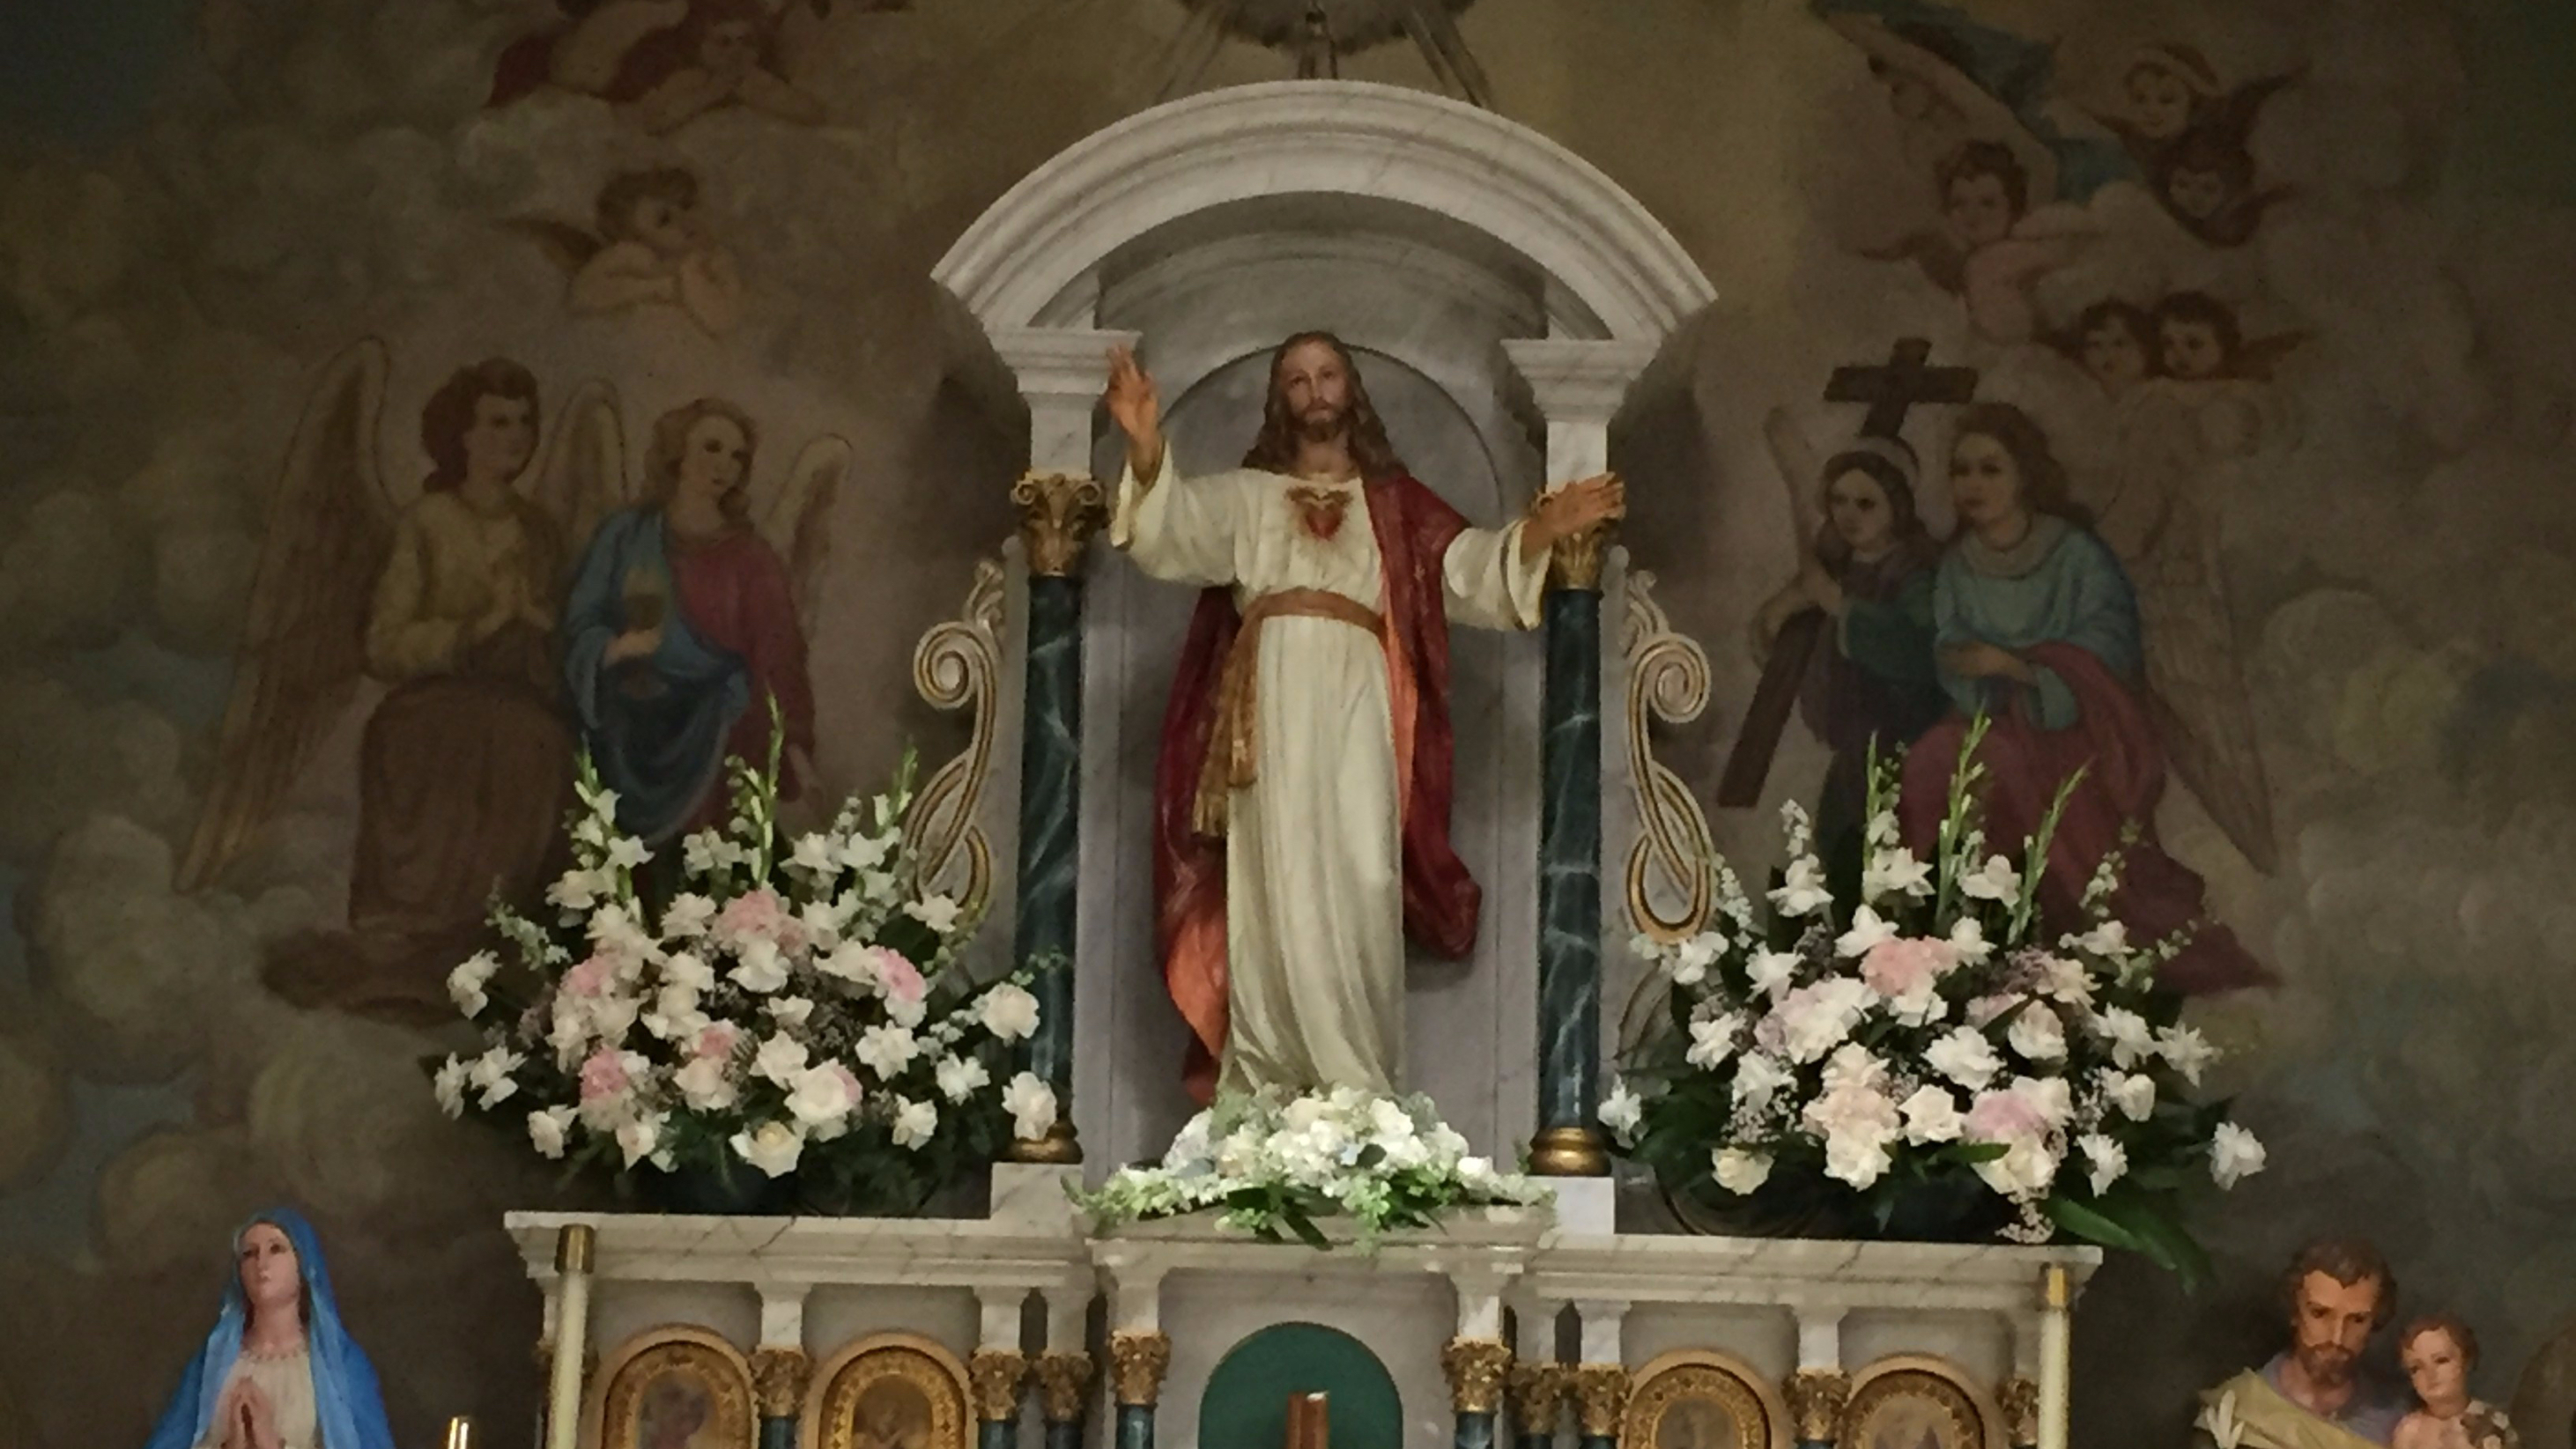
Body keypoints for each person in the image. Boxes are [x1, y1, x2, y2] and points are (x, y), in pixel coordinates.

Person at [1103, 333, 1622, 1102]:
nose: (1314, 389)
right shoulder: (1248, 497)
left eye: (1328, 374)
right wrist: (1148, 447)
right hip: (1268, 718)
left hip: (1362, 712)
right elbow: (1171, 527)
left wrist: (1544, 531)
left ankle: (1359, 1090)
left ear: (1352, 390)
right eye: (1297, 378)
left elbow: (1468, 570)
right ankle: (1268, 1087)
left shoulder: (1397, 507)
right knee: (1272, 885)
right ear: (1280, 400)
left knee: (1361, 879)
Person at [1894, 402, 2265, 992]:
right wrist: (1969, 664)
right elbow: (1951, 643)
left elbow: (2110, 643)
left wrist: (2020, 667)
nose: (1972, 484)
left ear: (2024, 475)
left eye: (1990, 469)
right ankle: (1954, 938)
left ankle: (2056, 934)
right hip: (1990, 716)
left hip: (2078, 727)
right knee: (1932, 761)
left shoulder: (2075, 554)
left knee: (2005, 766)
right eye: (1961, 470)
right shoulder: (1959, 564)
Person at [561, 397, 815, 843]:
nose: (725, 465)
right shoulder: (625, 534)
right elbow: (580, 621)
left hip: (714, 735)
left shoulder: (752, 559)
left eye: (737, 456)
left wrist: (797, 755)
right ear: (677, 452)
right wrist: (617, 649)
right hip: (623, 734)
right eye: (711, 447)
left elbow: (779, 658)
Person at [1750, 437, 1944, 866]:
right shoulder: (1842, 569)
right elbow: (1778, 639)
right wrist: (1781, 614)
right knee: (1838, 850)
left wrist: (1840, 606)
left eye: (1866, 503)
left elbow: (1921, 650)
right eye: (1838, 501)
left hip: (1909, 746)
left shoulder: (1917, 570)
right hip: (1854, 749)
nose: (1849, 515)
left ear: (1897, 505)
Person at [144, 1209, 398, 1449]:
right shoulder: (212, 1362)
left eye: (276, 1249)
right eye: (249, 1253)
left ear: (303, 1264)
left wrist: (273, 1444)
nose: (261, 1263)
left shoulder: (341, 1362)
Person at [2197, 1238, 2407, 1448]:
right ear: (2295, 1311)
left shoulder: (2397, 1426)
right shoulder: (2236, 1411)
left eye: (2358, 1320)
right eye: (2319, 1313)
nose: (2337, 1337)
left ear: (2376, 1320)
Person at [2393, 1316, 2521, 1449]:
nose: (2430, 1374)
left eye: (2441, 1360)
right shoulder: (2410, 1430)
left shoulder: (2493, 1422)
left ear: (2466, 1361)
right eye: (2416, 1368)